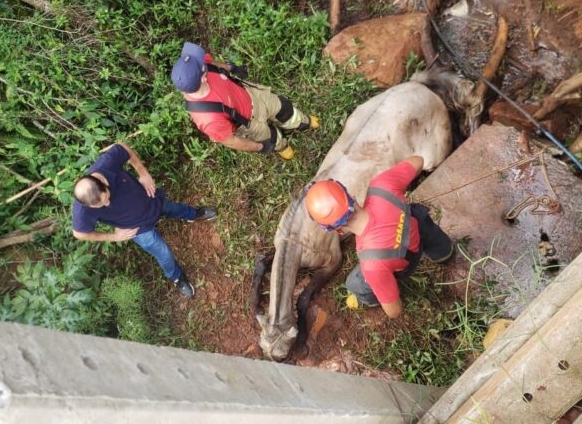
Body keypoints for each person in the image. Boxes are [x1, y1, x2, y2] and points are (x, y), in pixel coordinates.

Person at [304, 156, 454, 319]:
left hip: (406, 264)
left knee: (353, 283)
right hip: (420, 229)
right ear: (351, 196)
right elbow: (418, 161)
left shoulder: (372, 265)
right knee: (421, 220)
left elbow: (394, 312)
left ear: (337, 230)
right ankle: (445, 253)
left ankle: (373, 299)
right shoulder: (382, 185)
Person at [72, 143, 217, 298]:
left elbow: (122, 147)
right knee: (164, 253)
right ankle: (177, 277)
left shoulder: (107, 164)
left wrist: (143, 173)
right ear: (87, 205)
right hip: (136, 228)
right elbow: (79, 233)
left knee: (174, 208)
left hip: (149, 199)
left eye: (106, 198)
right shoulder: (82, 210)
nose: (107, 204)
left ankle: (194, 214)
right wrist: (114, 237)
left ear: (104, 183)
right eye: (101, 206)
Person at [170, 41, 319, 160]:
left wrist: (231, 68)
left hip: (252, 95)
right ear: (203, 77)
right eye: (201, 63)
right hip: (249, 124)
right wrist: (259, 147)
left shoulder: (200, 70)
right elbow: (231, 141)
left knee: (284, 108)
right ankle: (282, 146)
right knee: (270, 138)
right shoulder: (208, 119)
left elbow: (212, 64)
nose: (202, 59)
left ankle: (302, 122)